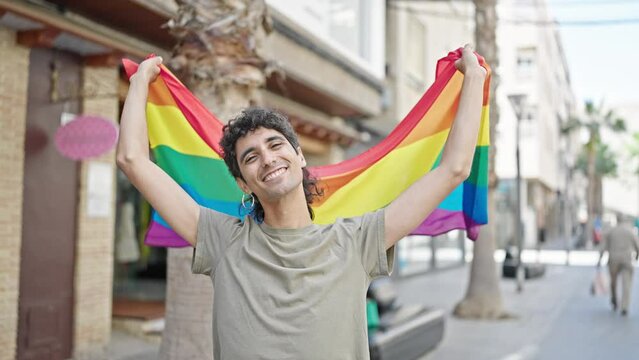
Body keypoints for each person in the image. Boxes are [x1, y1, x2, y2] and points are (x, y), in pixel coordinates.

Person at [116, 44, 486, 359]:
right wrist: (139, 82)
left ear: (300, 157)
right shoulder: (222, 239)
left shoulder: (357, 240)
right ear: (244, 184)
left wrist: (473, 78)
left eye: (276, 145)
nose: (268, 158)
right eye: (251, 157)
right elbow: (132, 160)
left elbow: (453, 169)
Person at [597, 214, 639, 316]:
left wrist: (600, 259)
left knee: (613, 283)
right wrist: (637, 256)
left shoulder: (611, 231)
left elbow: (603, 246)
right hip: (626, 259)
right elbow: (637, 245)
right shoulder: (630, 231)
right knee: (626, 284)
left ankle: (614, 299)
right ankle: (624, 306)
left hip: (613, 260)